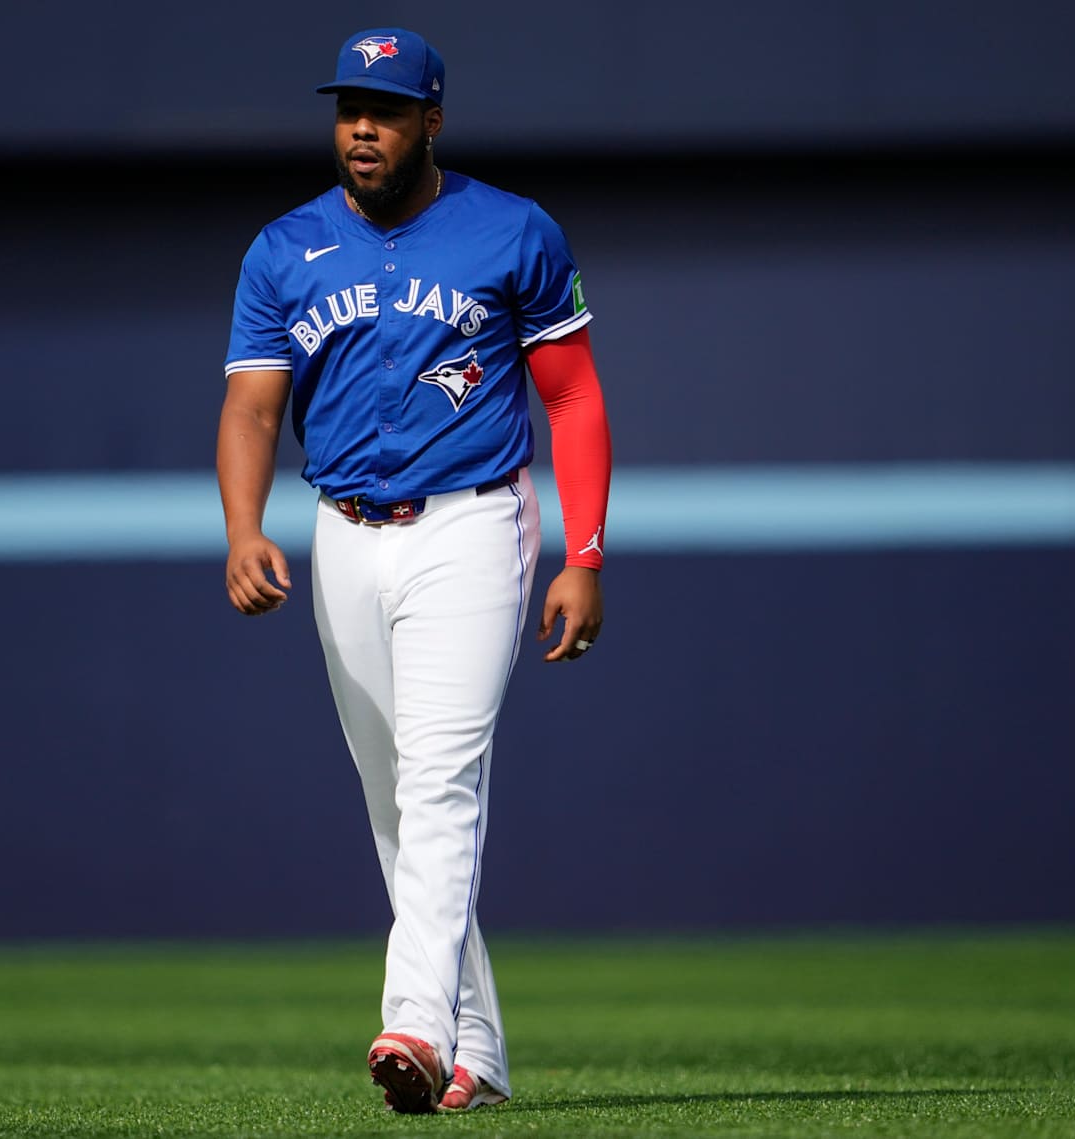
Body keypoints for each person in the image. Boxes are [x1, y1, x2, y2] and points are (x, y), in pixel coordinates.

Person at [216, 26, 612, 1114]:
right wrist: (245, 525)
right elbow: (251, 406)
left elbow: (572, 397)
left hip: (472, 524)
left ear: (430, 120)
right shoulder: (284, 251)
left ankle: (415, 1028)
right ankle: (478, 1050)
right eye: (349, 106)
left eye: (385, 110)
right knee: (396, 801)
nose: (361, 128)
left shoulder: (511, 230)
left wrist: (584, 552)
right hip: (341, 531)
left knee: (439, 781)